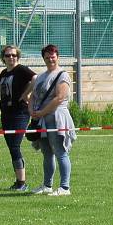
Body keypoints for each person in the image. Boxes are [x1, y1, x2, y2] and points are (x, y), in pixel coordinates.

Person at [28, 44, 76, 196]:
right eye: (47, 57)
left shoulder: (62, 75)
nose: (50, 59)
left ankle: (64, 187)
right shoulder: (40, 76)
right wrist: (32, 112)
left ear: (58, 56)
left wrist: (42, 112)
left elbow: (60, 97)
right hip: (41, 119)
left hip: (57, 117)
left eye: (52, 56)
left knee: (60, 151)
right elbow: (32, 97)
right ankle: (47, 185)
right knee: (46, 153)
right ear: (43, 58)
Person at [0, 44, 36, 192]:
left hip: (20, 113)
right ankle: (19, 181)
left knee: (15, 145)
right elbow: (1, 90)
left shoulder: (21, 70)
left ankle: (22, 182)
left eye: (13, 55)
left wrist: (26, 94)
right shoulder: (3, 73)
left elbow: (36, 78)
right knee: (11, 147)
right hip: (6, 113)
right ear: (3, 58)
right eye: (8, 55)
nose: (11, 57)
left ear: (17, 57)